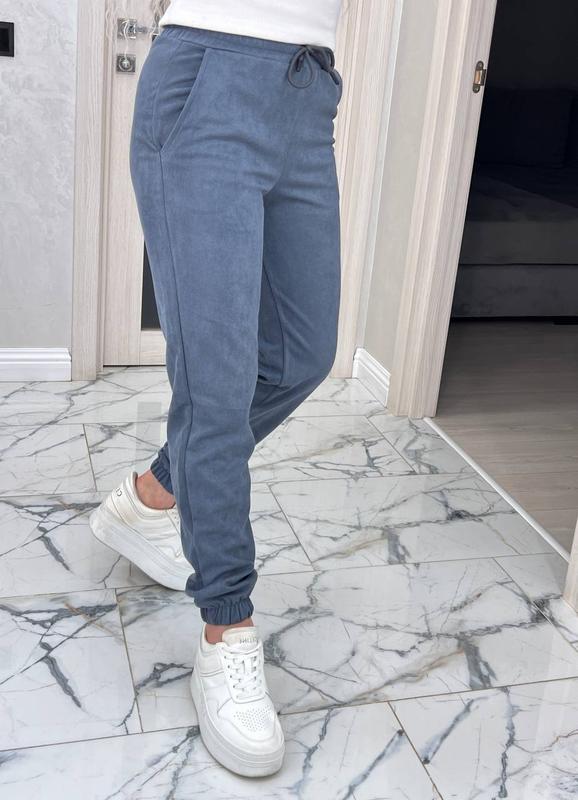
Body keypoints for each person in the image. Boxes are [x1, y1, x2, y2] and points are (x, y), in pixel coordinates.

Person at [90, 0, 343, 777]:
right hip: (208, 76)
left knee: (302, 356)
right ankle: (226, 627)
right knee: (217, 383)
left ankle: (154, 494)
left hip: (309, 91)